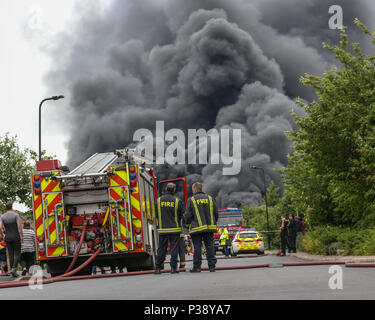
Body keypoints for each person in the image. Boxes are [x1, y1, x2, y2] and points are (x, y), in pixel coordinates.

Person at [184, 182, 218, 273]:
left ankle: (197, 267)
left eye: (192, 189)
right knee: (210, 246)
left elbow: (188, 215)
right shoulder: (210, 198)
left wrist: (187, 225)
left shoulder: (191, 200)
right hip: (209, 228)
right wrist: (214, 222)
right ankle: (212, 267)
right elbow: (216, 213)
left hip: (196, 229)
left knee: (197, 247)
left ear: (195, 189)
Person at [154, 183, 184, 274]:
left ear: (166, 189)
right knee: (174, 248)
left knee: (161, 248)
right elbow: (180, 215)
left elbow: (156, 214)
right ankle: (173, 268)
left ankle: (158, 268)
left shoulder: (158, 201)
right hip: (175, 229)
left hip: (163, 229)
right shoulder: (177, 201)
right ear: (174, 190)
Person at [0, 202, 23, 277]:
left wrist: (2, 235)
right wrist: (21, 236)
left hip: (7, 237)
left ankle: (14, 271)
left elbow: (0, 227)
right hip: (16, 236)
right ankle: (13, 269)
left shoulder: (3, 216)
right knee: (18, 253)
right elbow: (19, 226)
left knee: (10, 254)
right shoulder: (16, 215)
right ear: (12, 207)